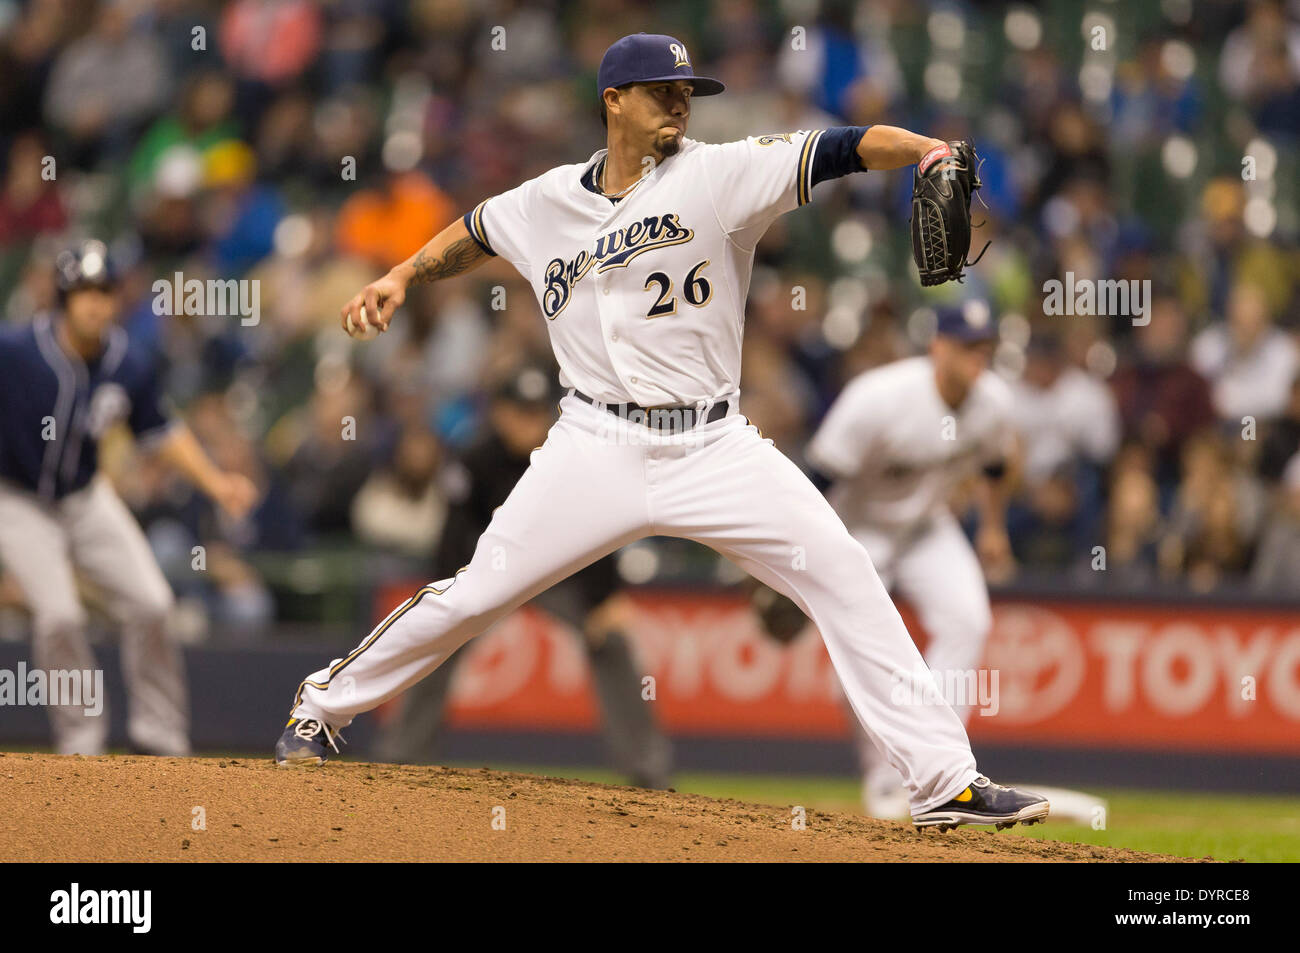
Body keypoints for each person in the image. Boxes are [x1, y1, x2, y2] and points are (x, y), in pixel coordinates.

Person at [275, 33, 1048, 831]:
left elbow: (845, 148)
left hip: (715, 444)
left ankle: (943, 781)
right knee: (475, 594)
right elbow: (474, 229)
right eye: (662, 90)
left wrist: (922, 150)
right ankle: (322, 705)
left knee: (844, 572)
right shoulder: (544, 201)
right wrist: (402, 273)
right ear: (614, 100)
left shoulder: (722, 174)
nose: (680, 103)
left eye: (687, 91)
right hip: (592, 446)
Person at [0, 240, 258, 755]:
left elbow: (161, 432)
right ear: (63, 298)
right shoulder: (15, 351)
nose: (94, 302)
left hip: (85, 497)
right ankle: (81, 741)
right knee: (59, 617)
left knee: (153, 603)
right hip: (18, 500)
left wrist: (216, 481)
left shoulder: (128, 363)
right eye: (82, 292)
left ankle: (160, 736)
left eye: (103, 291)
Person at [378, 365, 672, 789]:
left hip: (558, 575)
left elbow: (598, 528)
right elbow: (454, 536)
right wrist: (448, 598)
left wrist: (604, 599)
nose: (528, 421)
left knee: (612, 640)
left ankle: (648, 770)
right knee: (436, 639)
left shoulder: (568, 459)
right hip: (490, 573)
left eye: (536, 412)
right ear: (499, 413)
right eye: (519, 411)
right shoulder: (476, 459)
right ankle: (401, 755)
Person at [803, 302, 1016, 819]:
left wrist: (992, 527)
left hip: (926, 527)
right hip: (857, 529)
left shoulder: (993, 402)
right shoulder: (878, 398)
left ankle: (941, 773)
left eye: (985, 347)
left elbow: (995, 466)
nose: (978, 357)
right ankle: (883, 779)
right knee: (861, 646)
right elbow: (817, 482)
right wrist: (802, 556)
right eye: (968, 346)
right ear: (937, 346)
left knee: (968, 619)